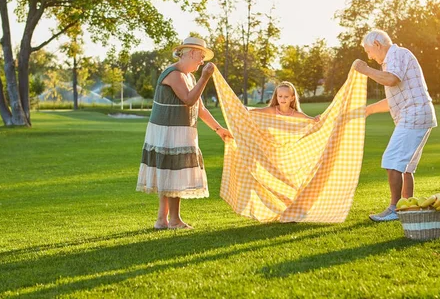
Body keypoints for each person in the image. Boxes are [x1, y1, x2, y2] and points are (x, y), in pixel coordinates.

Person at [137, 36, 233, 230]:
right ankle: (173, 220)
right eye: (201, 56)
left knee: (170, 173)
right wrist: (206, 77)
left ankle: (162, 220)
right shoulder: (174, 74)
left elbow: (200, 109)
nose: (202, 61)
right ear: (190, 53)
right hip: (169, 130)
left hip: (181, 130)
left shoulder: (189, 77)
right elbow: (189, 99)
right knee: (172, 172)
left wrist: (218, 129)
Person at [353, 29, 437, 222]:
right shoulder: (393, 60)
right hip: (419, 114)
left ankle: (394, 209)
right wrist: (368, 110)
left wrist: (365, 69)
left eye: (369, 51)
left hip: (414, 114)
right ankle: (407, 206)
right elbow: (394, 97)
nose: (369, 56)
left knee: (392, 160)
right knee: (406, 167)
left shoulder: (397, 54)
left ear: (377, 45)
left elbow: (391, 79)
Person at [250, 81, 320, 121]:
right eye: (280, 96)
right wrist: (244, 108)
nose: (283, 99)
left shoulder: (295, 114)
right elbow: (257, 111)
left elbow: (310, 120)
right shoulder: (273, 110)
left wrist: (315, 119)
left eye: (286, 96)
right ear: (276, 97)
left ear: (292, 98)